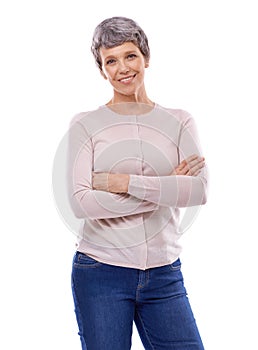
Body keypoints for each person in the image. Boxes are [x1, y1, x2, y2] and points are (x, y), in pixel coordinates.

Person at [67, 16, 208, 350]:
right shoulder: (85, 125)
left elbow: (198, 191)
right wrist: (168, 186)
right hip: (101, 272)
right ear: (102, 70)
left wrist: (122, 182)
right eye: (110, 61)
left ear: (146, 57)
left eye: (130, 55)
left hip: (164, 274)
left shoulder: (179, 121)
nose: (122, 68)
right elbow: (80, 203)